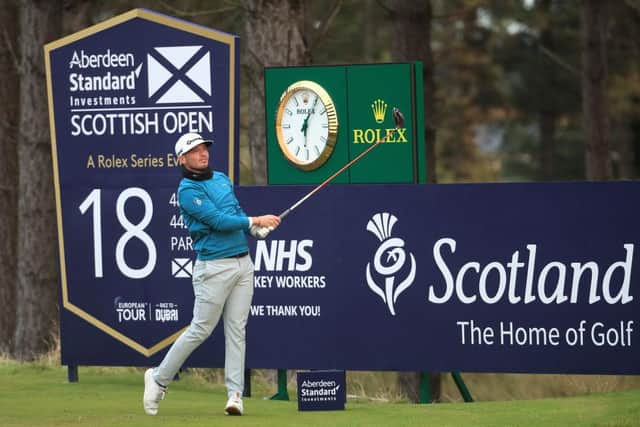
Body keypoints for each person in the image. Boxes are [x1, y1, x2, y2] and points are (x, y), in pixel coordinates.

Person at [143, 132, 280, 416]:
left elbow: (234, 211)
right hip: (213, 268)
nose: (203, 153)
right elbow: (217, 220)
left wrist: (254, 230)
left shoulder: (221, 178)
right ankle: (158, 379)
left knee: (236, 331)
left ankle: (235, 395)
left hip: (243, 264)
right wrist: (255, 220)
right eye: (195, 150)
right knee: (200, 330)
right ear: (182, 158)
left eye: (204, 148)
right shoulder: (186, 191)